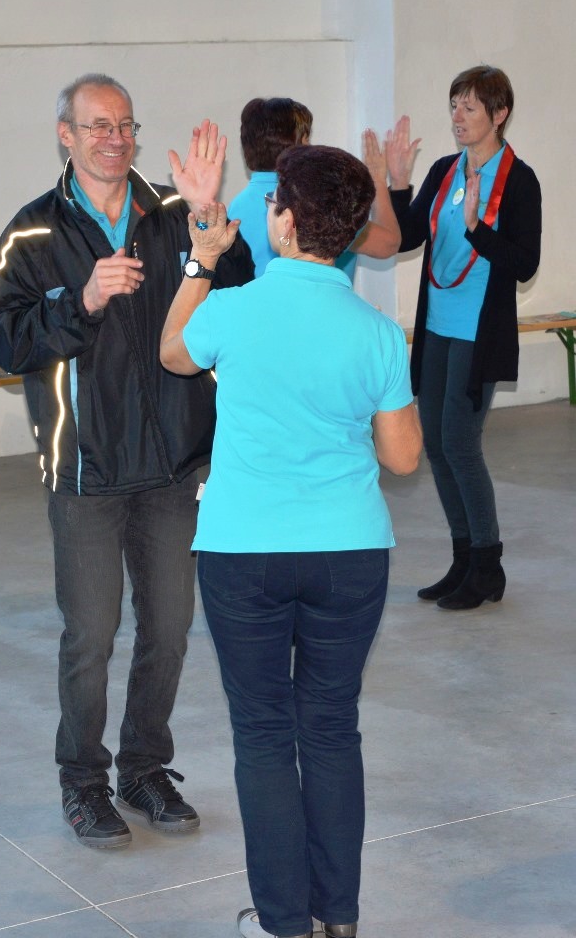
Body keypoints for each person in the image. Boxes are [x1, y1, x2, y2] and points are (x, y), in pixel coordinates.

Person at [0, 73, 254, 849]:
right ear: (64, 134)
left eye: (126, 125)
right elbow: (1, 340)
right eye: (98, 126)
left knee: (168, 630)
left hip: (171, 468)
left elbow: (235, 293)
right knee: (91, 639)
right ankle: (82, 780)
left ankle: (143, 768)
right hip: (86, 472)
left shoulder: (174, 212)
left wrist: (209, 218)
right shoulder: (32, 234)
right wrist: (82, 301)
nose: (115, 138)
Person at [160, 145, 422, 938]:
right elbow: (403, 457)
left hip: (244, 554)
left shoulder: (234, 311)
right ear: (345, 234)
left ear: (282, 221)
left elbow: (174, 353)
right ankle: (336, 917)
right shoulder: (374, 330)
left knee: (265, 735)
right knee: (332, 729)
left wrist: (201, 263)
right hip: (348, 554)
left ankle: (282, 922)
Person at [383, 65, 541, 609]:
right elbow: (406, 236)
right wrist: (399, 183)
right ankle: (462, 558)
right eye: (454, 105)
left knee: (460, 445)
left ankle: (487, 566)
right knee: (438, 445)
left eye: (470, 108)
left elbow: (524, 264)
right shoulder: (447, 170)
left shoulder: (519, 180)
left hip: (479, 330)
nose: (458, 117)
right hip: (437, 327)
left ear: (499, 115)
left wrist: (477, 227)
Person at [228, 96, 402, 279]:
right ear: (295, 147)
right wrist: (378, 180)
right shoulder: (315, 199)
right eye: (306, 139)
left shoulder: (236, 207)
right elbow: (389, 244)